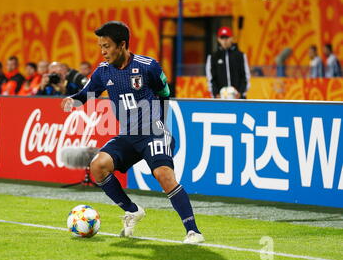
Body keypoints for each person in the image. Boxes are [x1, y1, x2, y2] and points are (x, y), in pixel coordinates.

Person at [61, 21, 204, 244]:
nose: (103, 52)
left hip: (152, 131)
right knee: (98, 166)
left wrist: (158, 121)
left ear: (122, 45)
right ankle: (132, 210)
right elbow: (87, 94)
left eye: (107, 46)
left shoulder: (148, 66)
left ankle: (193, 231)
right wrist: (73, 100)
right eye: (100, 46)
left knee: (163, 175)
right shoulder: (102, 72)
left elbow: (165, 92)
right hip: (128, 134)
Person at [205, 26, 250, 99]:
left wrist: (241, 93)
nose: (225, 41)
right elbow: (211, 78)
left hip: (238, 98)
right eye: (222, 38)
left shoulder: (240, 56)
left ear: (232, 38)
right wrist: (215, 94)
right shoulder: (213, 57)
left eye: (227, 38)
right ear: (218, 39)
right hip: (220, 99)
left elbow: (245, 76)